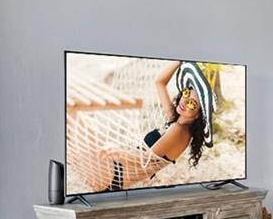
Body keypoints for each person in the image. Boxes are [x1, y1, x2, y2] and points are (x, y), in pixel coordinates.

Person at [78, 61, 208, 192]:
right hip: (114, 171)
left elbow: (146, 160)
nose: (184, 102)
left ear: (199, 115)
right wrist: (180, 60)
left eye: (192, 104)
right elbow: (160, 83)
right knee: (77, 125)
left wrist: (118, 152)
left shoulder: (179, 130)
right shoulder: (177, 122)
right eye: (186, 94)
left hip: (115, 174)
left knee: (75, 121)